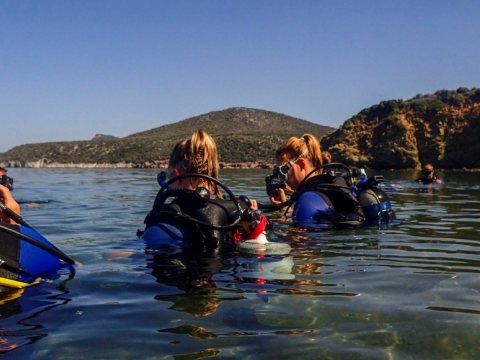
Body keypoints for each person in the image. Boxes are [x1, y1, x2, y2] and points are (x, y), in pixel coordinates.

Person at [142, 129, 260, 252]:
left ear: (177, 175)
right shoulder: (235, 215)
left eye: (168, 174)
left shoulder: (161, 230)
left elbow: (134, 254)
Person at [265, 134, 383, 225]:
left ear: (301, 164)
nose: (282, 177)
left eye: (283, 170)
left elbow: (299, 245)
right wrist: (284, 207)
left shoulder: (307, 198)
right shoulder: (328, 187)